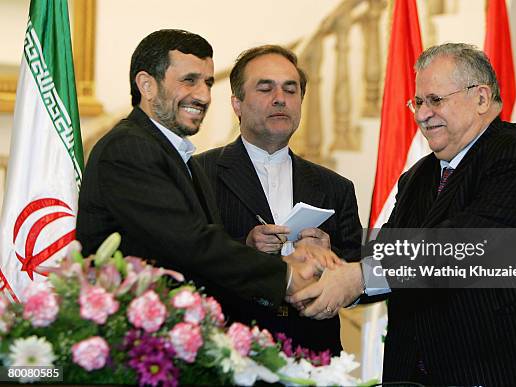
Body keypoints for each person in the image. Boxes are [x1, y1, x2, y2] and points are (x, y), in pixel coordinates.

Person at [288, 43, 516, 385]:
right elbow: (388, 251)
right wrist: (331, 259)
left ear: (482, 99)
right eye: (418, 102)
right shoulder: (417, 178)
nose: (422, 114)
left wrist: (357, 276)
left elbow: (468, 244)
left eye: (436, 100)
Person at [76, 30, 339, 313]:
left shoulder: (180, 158)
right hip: (134, 341)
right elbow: (187, 243)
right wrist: (286, 275)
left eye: (208, 83)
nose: (203, 95)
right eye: (189, 81)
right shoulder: (129, 148)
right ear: (147, 85)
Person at [195, 45, 362, 354]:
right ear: (237, 104)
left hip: (314, 355)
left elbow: (356, 276)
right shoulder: (198, 174)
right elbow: (183, 260)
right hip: (227, 353)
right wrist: (244, 248)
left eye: (290, 89)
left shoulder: (336, 187)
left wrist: (329, 259)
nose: (280, 98)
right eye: (265, 88)